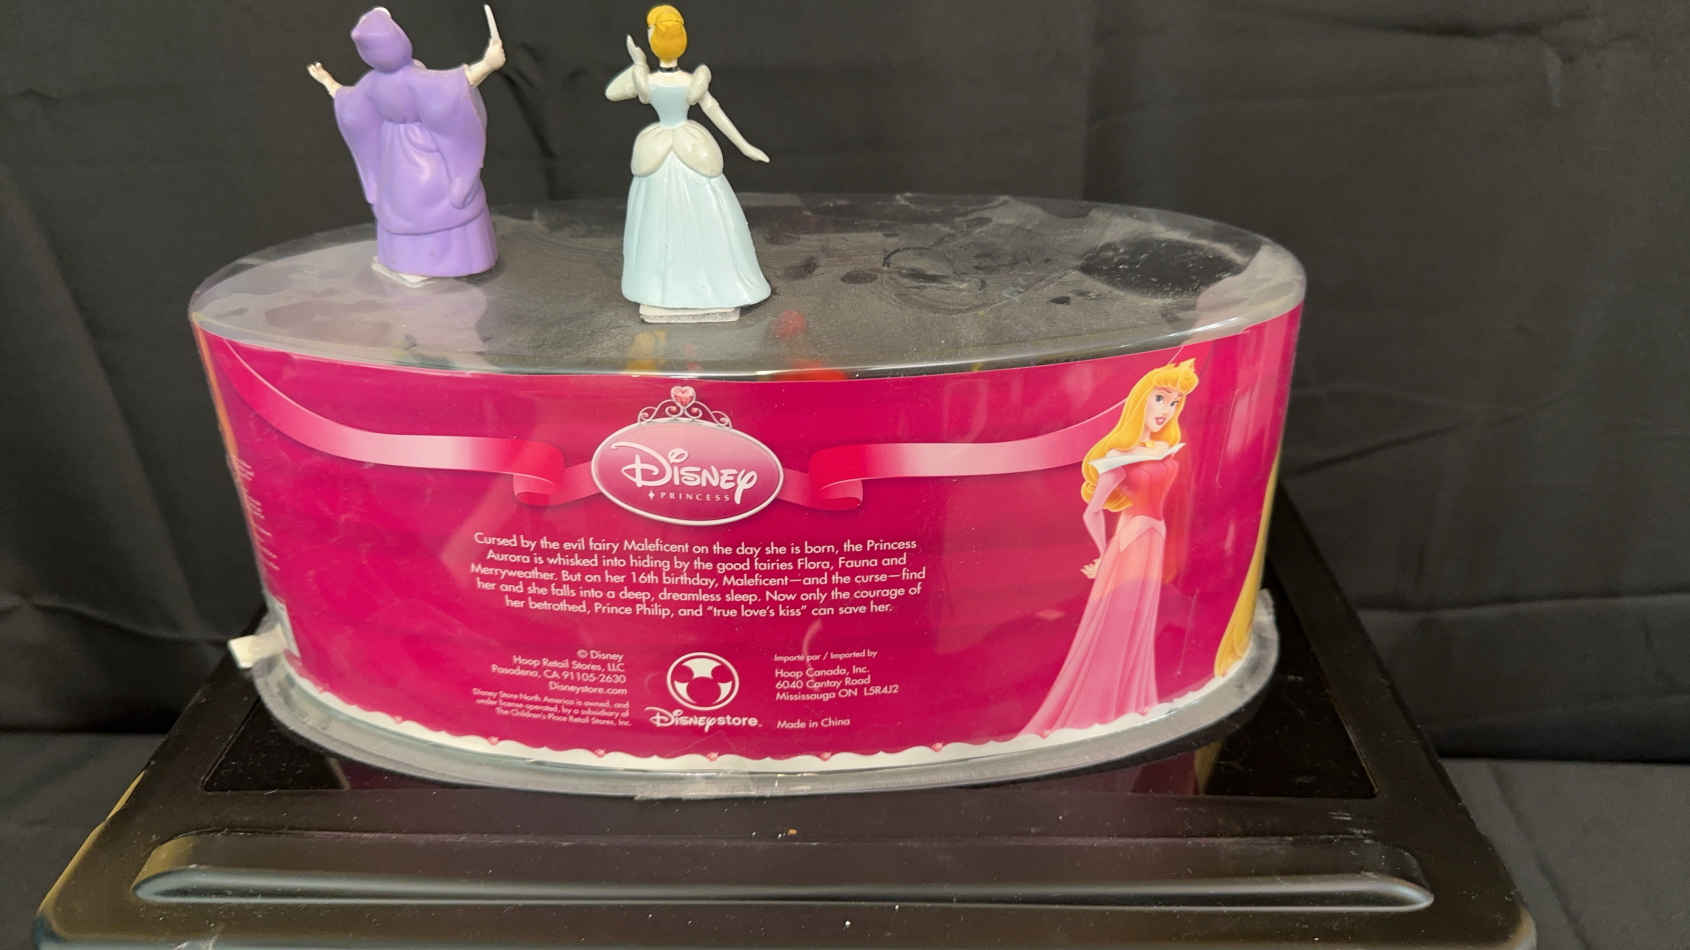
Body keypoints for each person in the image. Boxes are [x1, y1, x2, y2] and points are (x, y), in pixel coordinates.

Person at [1025, 359, 1199, 736]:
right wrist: (1103, 553)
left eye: (1175, 402)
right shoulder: (1118, 458)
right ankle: (1099, 707)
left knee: (1140, 617)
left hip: (1154, 538)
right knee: (1121, 616)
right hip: (1132, 539)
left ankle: (1129, 701)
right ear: (1141, 399)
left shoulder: (1164, 447)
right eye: (1160, 398)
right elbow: (1092, 511)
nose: (1167, 410)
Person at [306, 6, 505, 281]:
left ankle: (407, 261)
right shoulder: (414, 79)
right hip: (425, 152)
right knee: (441, 204)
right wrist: (489, 64)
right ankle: (438, 262)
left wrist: (327, 80)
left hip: (394, 158)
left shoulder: (372, 83)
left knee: (402, 206)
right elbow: (456, 87)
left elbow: (348, 101)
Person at [605, 5, 771, 321]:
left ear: (652, 40)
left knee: (660, 220)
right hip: (691, 146)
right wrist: (743, 145)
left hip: (659, 150)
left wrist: (638, 63)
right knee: (703, 217)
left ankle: (672, 289)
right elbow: (716, 113)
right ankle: (690, 288)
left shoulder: (647, 81)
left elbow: (613, 92)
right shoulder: (693, 80)